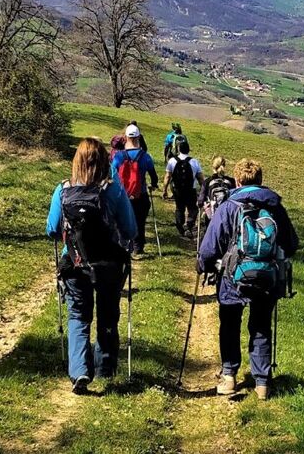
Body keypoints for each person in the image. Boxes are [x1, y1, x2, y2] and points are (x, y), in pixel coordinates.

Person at [197, 158, 299, 400]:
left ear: (238, 180)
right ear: (261, 181)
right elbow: (291, 244)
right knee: (261, 327)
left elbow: (211, 247)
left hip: (233, 277)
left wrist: (203, 265)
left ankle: (229, 377)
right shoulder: (275, 207)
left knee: (230, 324)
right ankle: (262, 383)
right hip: (267, 279)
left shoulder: (229, 206)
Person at [47, 138, 137, 394]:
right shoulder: (113, 189)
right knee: (108, 314)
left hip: (75, 264)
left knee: (78, 315)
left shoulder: (62, 190)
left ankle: (79, 371)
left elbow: (52, 229)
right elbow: (130, 229)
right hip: (108, 265)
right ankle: (105, 367)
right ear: (105, 161)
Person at [111, 124, 158, 257]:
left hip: (122, 196)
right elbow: (153, 176)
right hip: (140, 195)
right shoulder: (145, 156)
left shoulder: (119, 156)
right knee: (140, 221)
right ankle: (138, 247)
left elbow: (112, 173)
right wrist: (153, 185)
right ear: (138, 137)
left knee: (120, 221)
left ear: (125, 138)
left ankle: (123, 245)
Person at [162, 138, 205, 237]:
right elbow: (200, 178)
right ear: (188, 150)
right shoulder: (194, 162)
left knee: (179, 208)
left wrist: (164, 190)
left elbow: (168, 176)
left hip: (177, 190)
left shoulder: (172, 161)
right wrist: (204, 190)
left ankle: (180, 227)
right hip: (191, 189)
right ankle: (189, 225)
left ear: (178, 149)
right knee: (192, 208)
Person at [197, 156, 236, 222]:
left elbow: (200, 201)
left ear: (213, 166)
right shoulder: (231, 181)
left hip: (212, 218)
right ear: (224, 165)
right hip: (228, 216)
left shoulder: (207, 182)